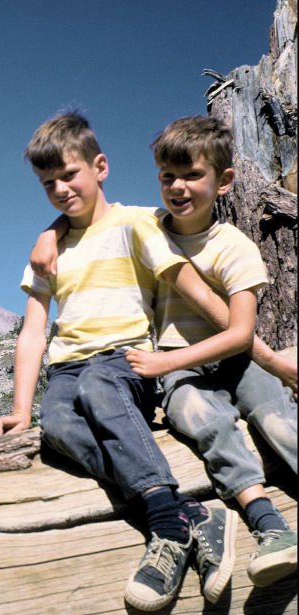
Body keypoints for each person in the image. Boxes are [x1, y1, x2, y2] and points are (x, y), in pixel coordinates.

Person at [0, 112, 241, 612]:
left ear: (100, 166)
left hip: (126, 361)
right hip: (67, 368)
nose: (60, 189)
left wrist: (256, 347)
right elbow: (34, 332)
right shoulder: (48, 251)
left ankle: (166, 530)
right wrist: (21, 410)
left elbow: (193, 282)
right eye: (47, 184)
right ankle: (185, 510)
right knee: (56, 424)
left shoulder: (138, 222)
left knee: (100, 386)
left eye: (69, 175)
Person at [122, 117, 296, 587]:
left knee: (276, 417)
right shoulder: (147, 231)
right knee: (206, 421)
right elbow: (95, 214)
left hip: (225, 360)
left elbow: (241, 334)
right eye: (166, 176)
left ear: (224, 182)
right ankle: (270, 526)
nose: (177, 187)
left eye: (192, 175)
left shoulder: (234, 248)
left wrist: (163, 362)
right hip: (182, 367)